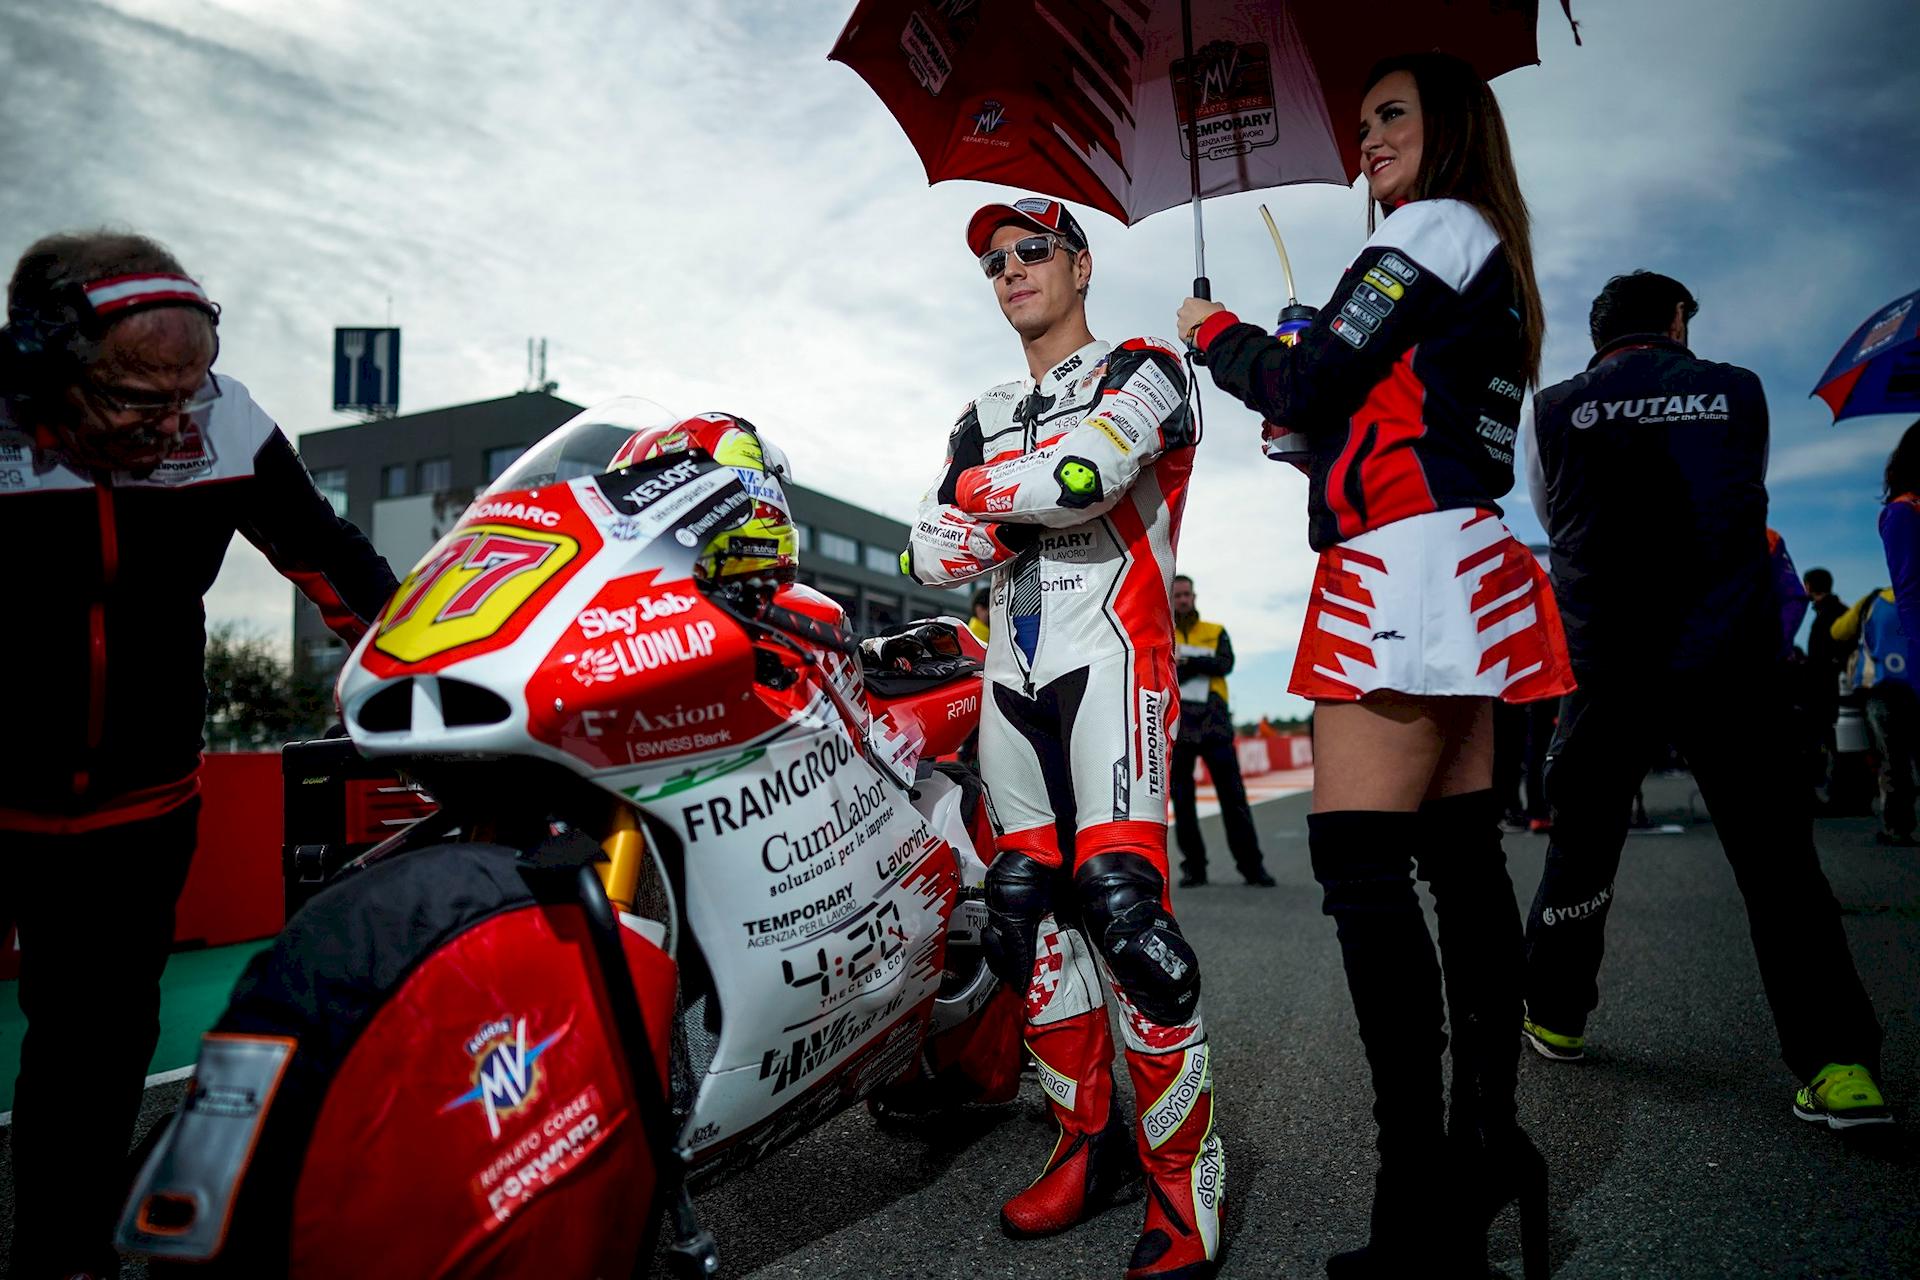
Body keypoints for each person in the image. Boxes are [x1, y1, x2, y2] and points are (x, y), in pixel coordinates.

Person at [1178, 52, 1565, 1278]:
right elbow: (1351, 404)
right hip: (1450, 554)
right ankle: (1485, 1150)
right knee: (1456, 858)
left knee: (1358, 861)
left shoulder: (1436, 226)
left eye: (1390, 114)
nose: (1366, 140)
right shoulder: (1470, 246)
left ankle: (1422, 1206)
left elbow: (1309, 372)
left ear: (1450, 125)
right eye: (1360, 123)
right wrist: (1311, 431)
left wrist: (1216, 336)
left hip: (1404, 568)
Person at [0, 231, 397, 1277]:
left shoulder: (226, 421)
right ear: (45, 362)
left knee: (93, 1051)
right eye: (138, 402)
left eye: (190, 391)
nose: (175, 423)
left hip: (140, 806)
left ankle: (64, 1258)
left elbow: (335, 559)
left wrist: (430, 665)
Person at [904, 196, 1223, 1277]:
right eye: (994, 261)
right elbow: (921, 549)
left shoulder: (1149, 367)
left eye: (1032, 250)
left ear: (1080, 264)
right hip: (1013, 677)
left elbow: (1084, 477)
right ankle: (1091, 1146)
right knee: (1024, 914)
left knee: (1128, 915)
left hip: (1116, 659)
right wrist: (1019, 497)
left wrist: (990, 499)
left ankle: (1187, 1182)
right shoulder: (981, 405)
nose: (1010, 272)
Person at [1521, 266, 1890, 1129]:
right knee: (1780, 869)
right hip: (1728, 660)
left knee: (1581, 849)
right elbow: (1731, 497)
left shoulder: (1553, 409)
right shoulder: (1741, 393)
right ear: (1678, 321)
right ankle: (1839, 1065)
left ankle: (1555, 1013)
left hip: (1608, 664)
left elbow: (1555, 515)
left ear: (1599, 334)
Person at [1168, 574, 1274, 887]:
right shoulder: (1164, 631)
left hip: (1215, 726)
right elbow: (1161, 667)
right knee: (1183, 803)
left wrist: (1187, 663)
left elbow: (1225, 664)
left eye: (1187, 594)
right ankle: (1194, 869)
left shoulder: (1215, 631)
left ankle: (1253, 867)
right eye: (1177, 596)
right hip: (1181, 726)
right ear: (1170, 599)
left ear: (1194, 596)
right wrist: (1199, 663)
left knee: (1234, 800)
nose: (1183, 600)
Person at [1831, 582, 1917, 845]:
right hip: (1916, 684)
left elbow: (1838, 632)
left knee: (1893, 760)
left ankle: (1898, 828)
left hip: (1884, 688)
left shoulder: (1873, 600)